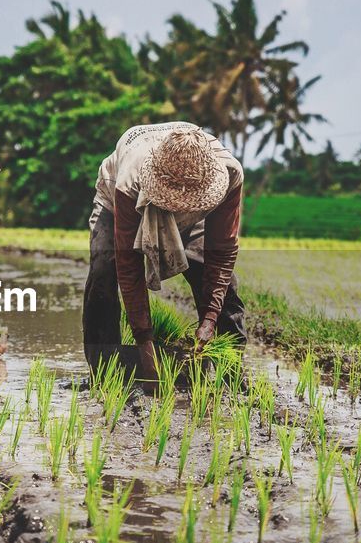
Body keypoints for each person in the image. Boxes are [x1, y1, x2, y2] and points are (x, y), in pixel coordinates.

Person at [83, 122, 247, 382]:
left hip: (196, 217)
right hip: (121, 204)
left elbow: (222, 252)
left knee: (221, 282)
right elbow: (129, 267)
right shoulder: (130, 180)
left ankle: (232, 373)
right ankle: (103, 373)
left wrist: (209, 320)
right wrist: (146, 347)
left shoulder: (229, 173)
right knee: (103, 271)